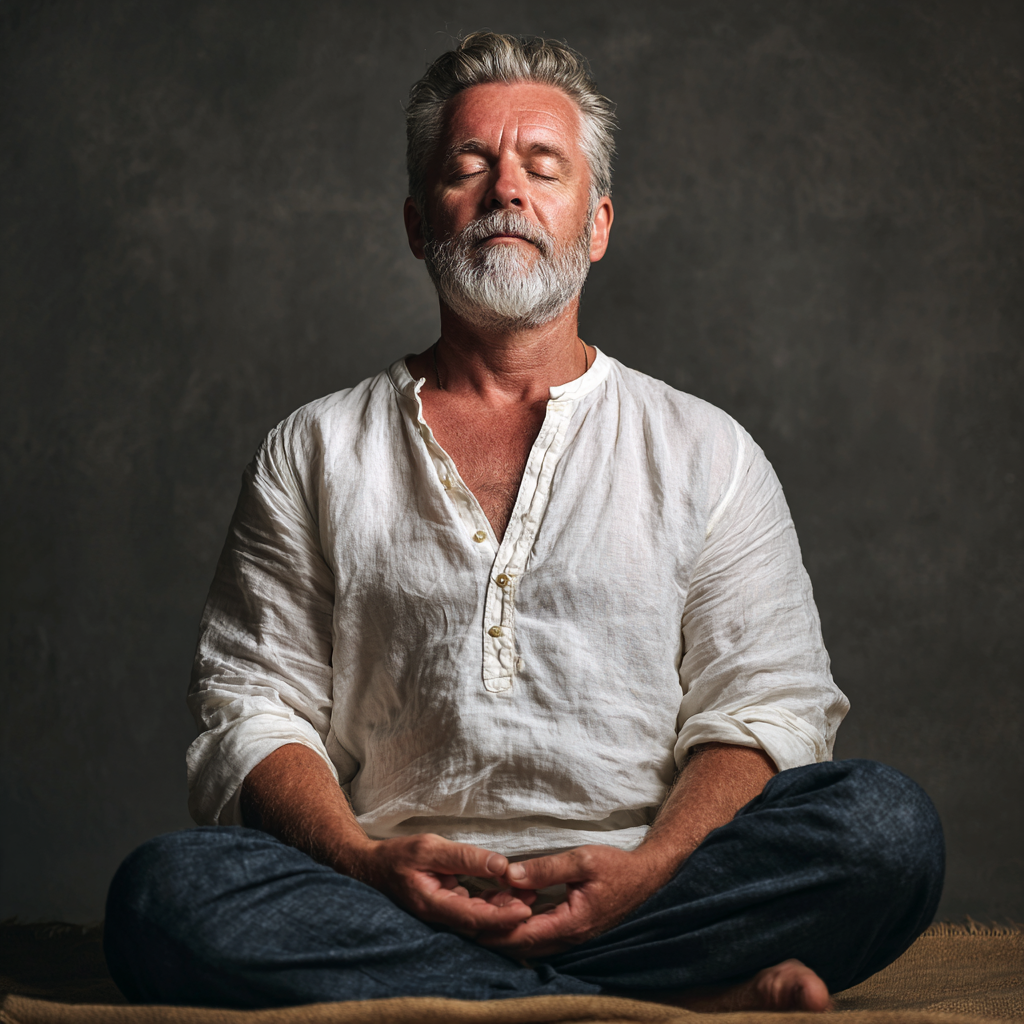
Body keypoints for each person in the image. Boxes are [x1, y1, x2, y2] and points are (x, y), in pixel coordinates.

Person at [104, 33, 944, 1012]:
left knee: (886, 827)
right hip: (391, 895)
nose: (506, 190)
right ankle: (660, 1004)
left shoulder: (707, 451)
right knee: (164, 895)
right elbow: (251, 709)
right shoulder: (314, 449)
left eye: (542, 168)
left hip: (654, 890)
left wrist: (649, 867)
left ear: (595, 225)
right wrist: (371, 868)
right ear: (419, 223)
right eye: (469, 167)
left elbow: (767, 706)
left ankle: (498, 993)